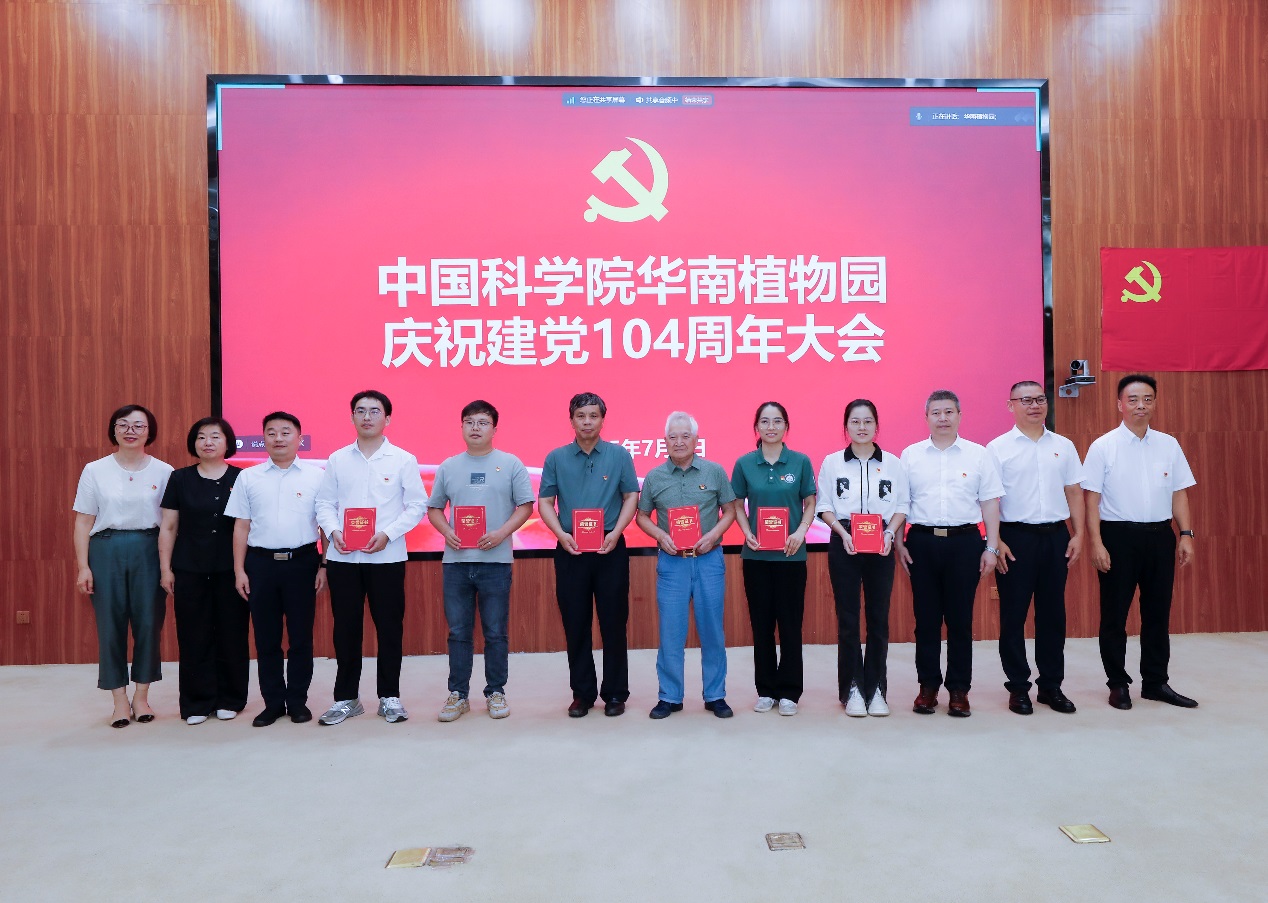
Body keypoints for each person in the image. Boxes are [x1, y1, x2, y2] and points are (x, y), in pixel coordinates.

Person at [1082, 374, 1198, 709]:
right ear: (1120, 404)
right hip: (1118, 537)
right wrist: (1096, 543)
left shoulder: (1168, 445)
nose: (1140, 406)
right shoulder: (1103, 446)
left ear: (1155, 403)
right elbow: (1091, 500)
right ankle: (1118, 683)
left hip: (1160, 536)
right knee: (1115, 615)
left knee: (1158, 613)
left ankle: (1155, 682)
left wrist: (1186, 534)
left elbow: (1179, 493)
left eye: (1147, 399)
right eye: (1132, 399)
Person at [314, 391, 427, 726]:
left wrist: (388, 534)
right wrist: (334, 531)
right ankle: (346, 698)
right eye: (360, 411)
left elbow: (417, 506)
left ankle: (389, 696)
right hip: (344, 558)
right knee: (345, 629)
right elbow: (324, 503)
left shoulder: (403, 459)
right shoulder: (337, 459)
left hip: (386, 558)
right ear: (351, 417)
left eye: (374, 411)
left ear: (387, 419)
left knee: (389, 628)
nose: (367, 417)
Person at [896, 390, 1003, 718]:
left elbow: (990, 503)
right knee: (926, 620)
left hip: (965, 543)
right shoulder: (911, 455)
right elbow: (901, 504)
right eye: (936, 413)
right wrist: (899, 543)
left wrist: (991, 547)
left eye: (948, 412)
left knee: (960, 620)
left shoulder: (978, 454)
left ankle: (959, 689)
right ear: (926, 417)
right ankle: (927, 687)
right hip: (922, 543)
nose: (942, 418)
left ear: (959, 415)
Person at [426, 400, 534, 722]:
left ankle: (495, 691)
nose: (476, 428)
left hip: (495, 562)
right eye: (470, 422)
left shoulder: (510, 463)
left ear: (494, 429)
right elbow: (434, 509)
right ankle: (458, 694)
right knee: (458, 632)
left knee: (495, 632)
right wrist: (447, 531)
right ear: (461, 427)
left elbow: (526, 506)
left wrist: (501, 533)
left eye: (483, 422)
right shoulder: (448, 466)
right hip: (456, 563)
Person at [538, 392, 640, 717]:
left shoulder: (619, 455)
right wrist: (561, 534)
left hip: (610, 547)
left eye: (593, 416)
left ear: (602, 420)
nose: (587, 422)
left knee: (614, 623)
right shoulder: (556, 458)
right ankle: (582, 694)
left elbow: (631, 496)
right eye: (581, 416)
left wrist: (617, 532)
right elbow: (545, 502)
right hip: (571, 549)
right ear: (571, 420)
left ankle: (615, 693)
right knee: (575, 623)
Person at [72, 405, 174, 728]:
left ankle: (141, 697)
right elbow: (83, 521)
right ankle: (118, 700)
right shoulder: (94, 470)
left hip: (149, 549)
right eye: (123, 425)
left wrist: (167, 565)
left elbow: (170, 524)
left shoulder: (164, 471)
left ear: (149, 431)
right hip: (106, 549)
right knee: (110, 625)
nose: (131, 431)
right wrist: (83, 566)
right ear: (113, 430)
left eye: (138, 425)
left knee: (149, 623)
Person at [987, 382, 1085, 715]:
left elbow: (1074, 491)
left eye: (1040, 399)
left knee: (1053, 615)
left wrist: (1079, 534)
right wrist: (995, 540)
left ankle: (1051, 686)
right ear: (1010, 405)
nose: (1034, 405)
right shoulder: (997, 448)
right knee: (1013, 616)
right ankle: (1018, 687)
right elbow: (989, 499)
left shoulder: (1063, 446)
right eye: (1026, 400)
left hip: (1056, 537)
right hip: (1015, 539)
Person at [225, 411, 326, 727]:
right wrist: (239, 570)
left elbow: (325, 524)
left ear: (299, 438)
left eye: (285, 432)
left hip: (303, 563)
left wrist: (324, 565)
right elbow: (241, 526)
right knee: (266, 638)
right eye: (271, 432)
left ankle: (297, 701)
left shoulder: (317, 476)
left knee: (300, 638)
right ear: (263, 438)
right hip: (261, 565)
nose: (278, 438)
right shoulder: (248, 477)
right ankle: (272, 703)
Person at [636, 412, 737, 719]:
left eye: (685, 436)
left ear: (695, 440)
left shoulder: (714, 471)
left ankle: (715, 695)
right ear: (664, 441)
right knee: (671, 632)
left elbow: (730, 511)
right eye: (672, 437)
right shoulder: (654, 477)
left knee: (712, 630)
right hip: (672, 564)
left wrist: (713, 535)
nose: (678, 442)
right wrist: (660, 535)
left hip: (709, 560)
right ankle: (669, 696)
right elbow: (642, 516)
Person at [815, 399, 908, 718]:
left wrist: (890, 534)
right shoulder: (832, 463)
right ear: (846, 427)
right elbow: (824, 506)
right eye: (855, 421)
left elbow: (902, 505)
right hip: (845, 541)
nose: (862, 427)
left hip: (881, 543)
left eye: (868, 421)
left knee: (879, 619)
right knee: (848, 619)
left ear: (876, 426)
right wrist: (843, 534)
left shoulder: (893, 463)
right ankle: (853, 688)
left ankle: (876, 688)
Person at [158, 417, 248, 725]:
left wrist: (242, 569)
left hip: (231, 570)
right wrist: (165, 569)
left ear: (227, 442)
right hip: (189, 568)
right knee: (193, 634)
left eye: (215, 436)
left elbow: (247, 525)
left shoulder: (242, 478)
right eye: (201, 437)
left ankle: (230, 698)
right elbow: (169, 526)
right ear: (193, 443)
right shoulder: (180, 478)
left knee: (232, 633)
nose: (207, 442)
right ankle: (197, 702)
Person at [731, 401, 817, 716]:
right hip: (756, 557)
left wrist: (801, 532)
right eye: (765, 421)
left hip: (791, 557)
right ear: (757, 427)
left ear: (786, 426)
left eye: (777, 421)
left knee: (791, 625)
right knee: (762, 625)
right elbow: (736, 503)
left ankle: (790, 691)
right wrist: (746, 532)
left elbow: (810, 502)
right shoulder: (744, 463)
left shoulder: (800, 461)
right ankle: (766, 689)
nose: (771, 427)